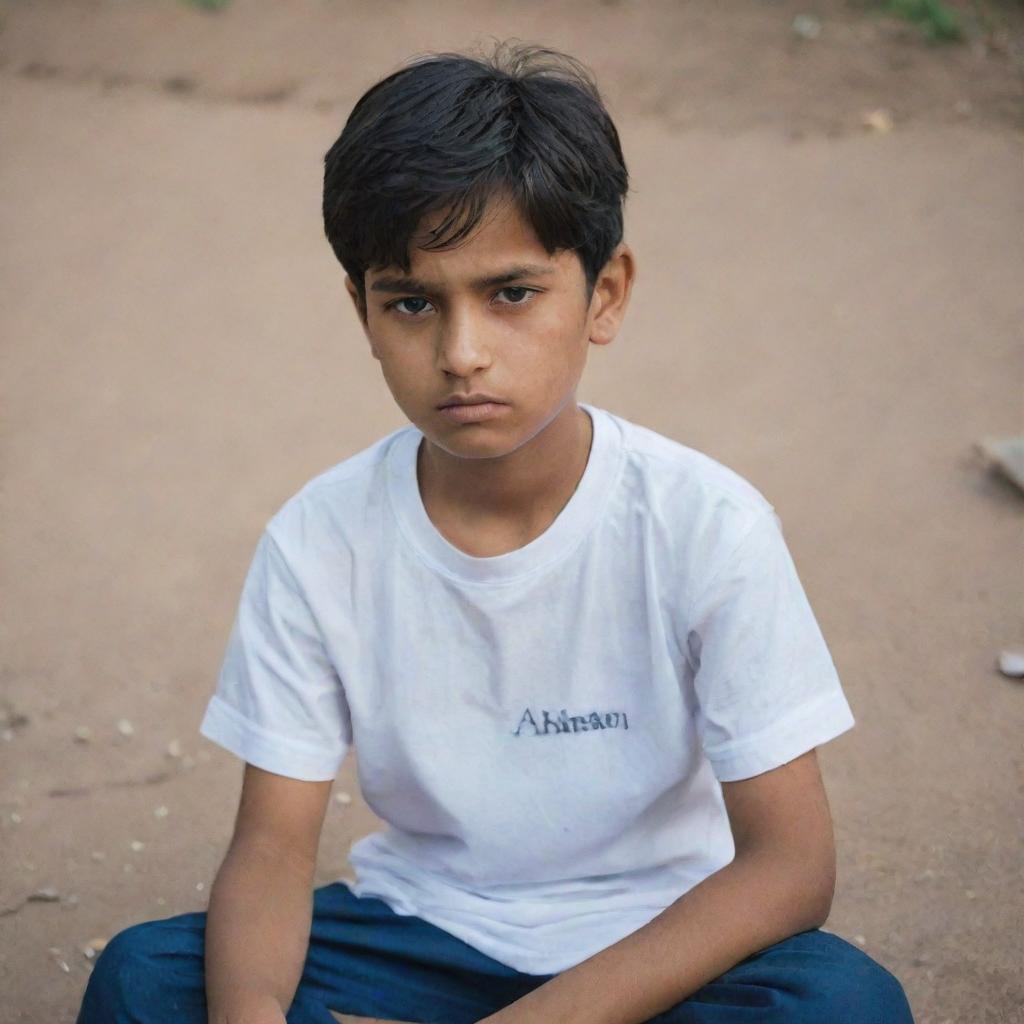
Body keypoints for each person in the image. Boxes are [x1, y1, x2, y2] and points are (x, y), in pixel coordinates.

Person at [75, 40, 914, 1024]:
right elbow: (270, 848)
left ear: (604, 295)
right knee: (148, 979)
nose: (461, 353)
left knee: (843, 1004)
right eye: (412, 302)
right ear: (363, 311)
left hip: (657, 937)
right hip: (425, 929)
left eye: (511, 294)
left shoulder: (705, 524)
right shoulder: (320, 541)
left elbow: (789, 867)